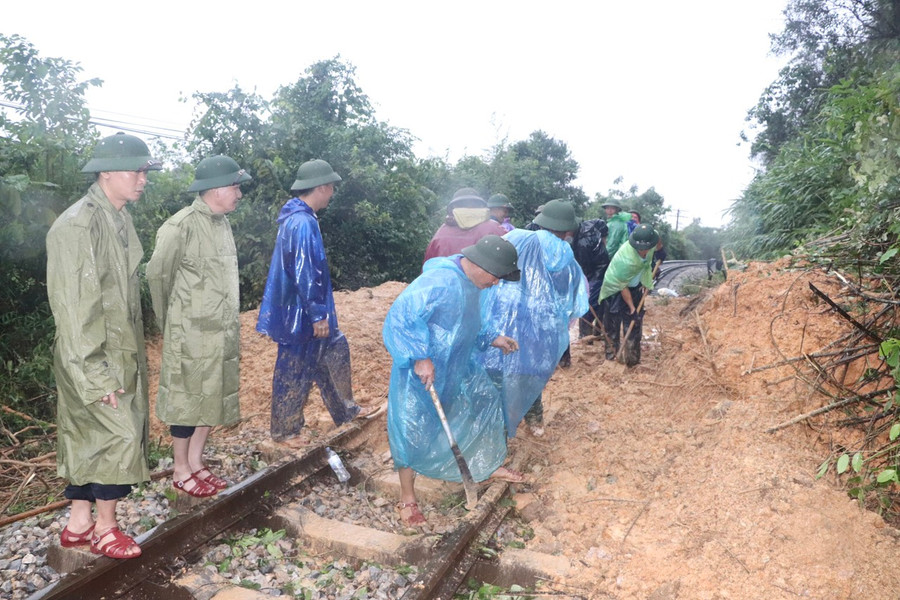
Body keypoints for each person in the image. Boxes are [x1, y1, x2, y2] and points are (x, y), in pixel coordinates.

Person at [46, 132, 161, 559]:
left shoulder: (118, 217)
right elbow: (75, 310)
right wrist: (96, 373)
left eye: (145, 171)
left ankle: (78, 523)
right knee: (119, 436)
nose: (143, 179)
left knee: (85, 436)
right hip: (90, 355)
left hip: (114, 350)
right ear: (107, 172)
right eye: (137, 170)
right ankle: (106, 528)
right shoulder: (79, 225)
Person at [383, 235, 522, 526]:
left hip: (457, 365)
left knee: (478, 405)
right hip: (421, 370)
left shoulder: (475, 284)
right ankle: (408, 497)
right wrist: (420, 356)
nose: (496, 283)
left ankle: (484, 464)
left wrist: (492, 338)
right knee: (412, 426)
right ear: (481, 265)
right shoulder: (441, 281)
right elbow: (403, 315)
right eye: (497, 276)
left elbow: (473, 321)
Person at [147, 155, 252, 498]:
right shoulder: (181, 226)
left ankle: (196, 461)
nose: (239, 193)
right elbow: (157, 276)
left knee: (213, 396)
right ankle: (180, 469)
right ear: (215, 189)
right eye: (235, 186)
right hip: (190, 333)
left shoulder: (222, 223)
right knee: (187, 400)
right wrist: (172, 322)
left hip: (220, 332)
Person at [257, 159, 380, 449]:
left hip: (305, 311)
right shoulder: (301, 222)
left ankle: (346, 411)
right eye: (331, 188)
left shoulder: (302, 218)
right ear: (322, 187)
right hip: (300, 314)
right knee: (294, 368)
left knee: (333, 351)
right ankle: (285, 431)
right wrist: (316, 315)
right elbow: (304, 272)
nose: (332, 194)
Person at [481, 199, 589, 438]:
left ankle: (496, 426)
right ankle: (534, 421)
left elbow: (492, 266)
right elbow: (572, 299)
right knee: (531, 371)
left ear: (541, 222)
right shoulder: (567, 257)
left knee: (498, 368)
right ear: (568, 230)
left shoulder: (517, 238)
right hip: (540, 327)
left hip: (504, 320)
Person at [598, 224, 659, 367]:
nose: (644, 251)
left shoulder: (651, 240)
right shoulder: (625, 260)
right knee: (612, 324)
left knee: (634, 325)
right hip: (616, 289)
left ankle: (632, 360)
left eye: (646, 249)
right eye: (640, 249)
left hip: (634, 286)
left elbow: (657, 239)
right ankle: (612, 358)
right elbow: (622, 286)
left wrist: (661, 251)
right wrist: (632, 308)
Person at [423, 187, 507, 261]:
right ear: (480, 205)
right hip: (485, 278)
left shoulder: (441, 234)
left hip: (448, 278)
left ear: (453, 207)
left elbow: (428, 272)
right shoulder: (494, 228)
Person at [572, 218, 610, 340]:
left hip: (597, 272)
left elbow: (584, 265)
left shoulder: (585, 241)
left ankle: (586, 335)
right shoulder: (588, 233)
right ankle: (591, 333)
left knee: (589, 303)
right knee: (593, 302)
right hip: (595, 270)